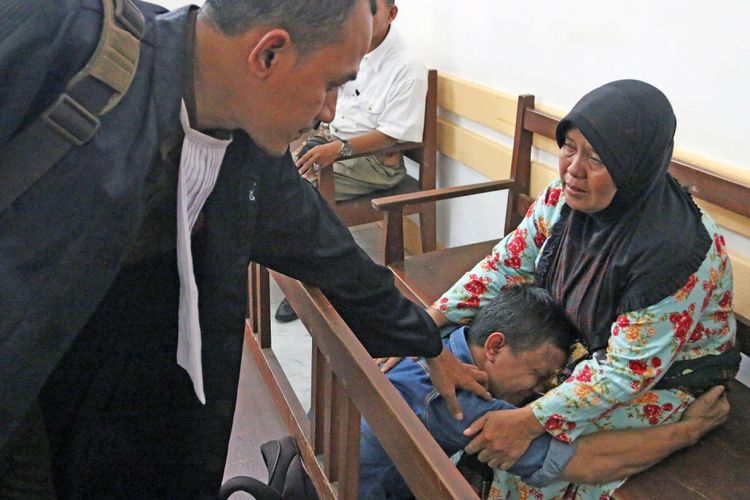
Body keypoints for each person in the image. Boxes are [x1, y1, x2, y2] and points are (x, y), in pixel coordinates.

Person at [0, 0, 487, 497]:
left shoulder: (246, 149)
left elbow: (332, 255)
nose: (330, 111)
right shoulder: (61, 36)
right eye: (331, 84)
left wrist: (426, 343)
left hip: (100, 409)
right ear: (268, 54)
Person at [428, 79, 738, 498]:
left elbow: (626, 371)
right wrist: (427, 324)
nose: (573, 168)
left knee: (536, 453)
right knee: (456, 373)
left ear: (635, 167)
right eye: (569, 147)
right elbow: (504, 266)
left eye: (596, 157)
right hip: (581, 344)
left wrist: (530, 420)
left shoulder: (676, 251)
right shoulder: (563, 199)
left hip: (664, 375)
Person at [360, 286, 730, 499]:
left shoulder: (436, 339)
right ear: (494, 346)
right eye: (538, 374)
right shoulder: (460, 402)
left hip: (322, 461)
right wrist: (689, 431)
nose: (538, 391)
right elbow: (587, 462)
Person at [274, 0, 427, 323]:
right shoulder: (349, 46)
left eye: (372, 9)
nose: (363, 17)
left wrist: (339, 149)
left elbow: (397, 135)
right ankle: (297, 267)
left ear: (392, 13)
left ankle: (317, 280)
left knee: (300, 188)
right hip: (336, 143)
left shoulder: (406, 66)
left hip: (372, 162)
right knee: (272, 166)